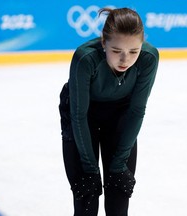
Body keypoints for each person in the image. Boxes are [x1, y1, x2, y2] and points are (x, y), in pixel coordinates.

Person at [59, 7, 159, 216]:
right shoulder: (86, 58)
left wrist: (119, 164)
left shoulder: (149, 58)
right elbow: (78, 115)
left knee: (118, 193)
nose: (125, 60)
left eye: (134, 51)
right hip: (81, 116)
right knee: (86, 196)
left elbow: (137, 110)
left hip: (120, 115)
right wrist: (90, 168)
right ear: (104, 42)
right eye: (116, 51)